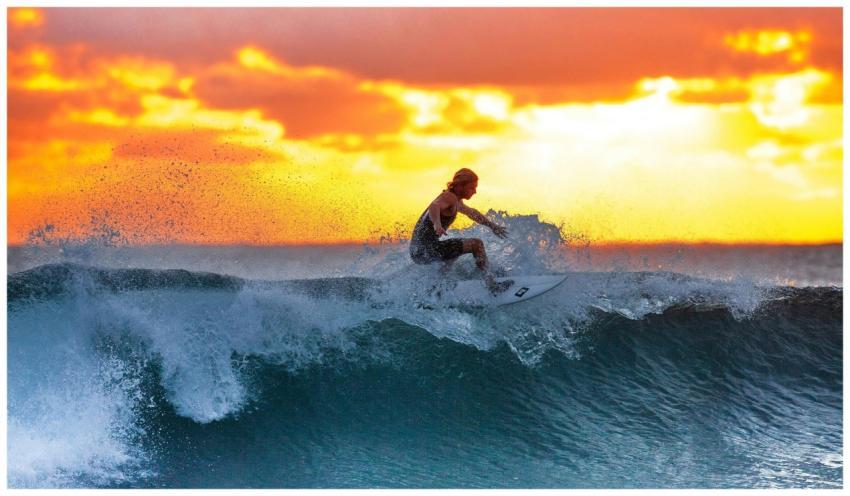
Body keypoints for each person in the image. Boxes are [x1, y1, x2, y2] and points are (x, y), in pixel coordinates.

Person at [409, 168, 513, 294]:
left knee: (454, 252)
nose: (475, 191)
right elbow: (434, 206)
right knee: (476, 244)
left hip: (418, 251)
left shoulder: (455, 200)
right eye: (472, 187)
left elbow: (472, 213)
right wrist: (437, 223)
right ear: (460, 186)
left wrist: (492, 226)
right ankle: (491, 285)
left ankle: (435, 291)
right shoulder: (449, 197)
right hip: (426, 249)